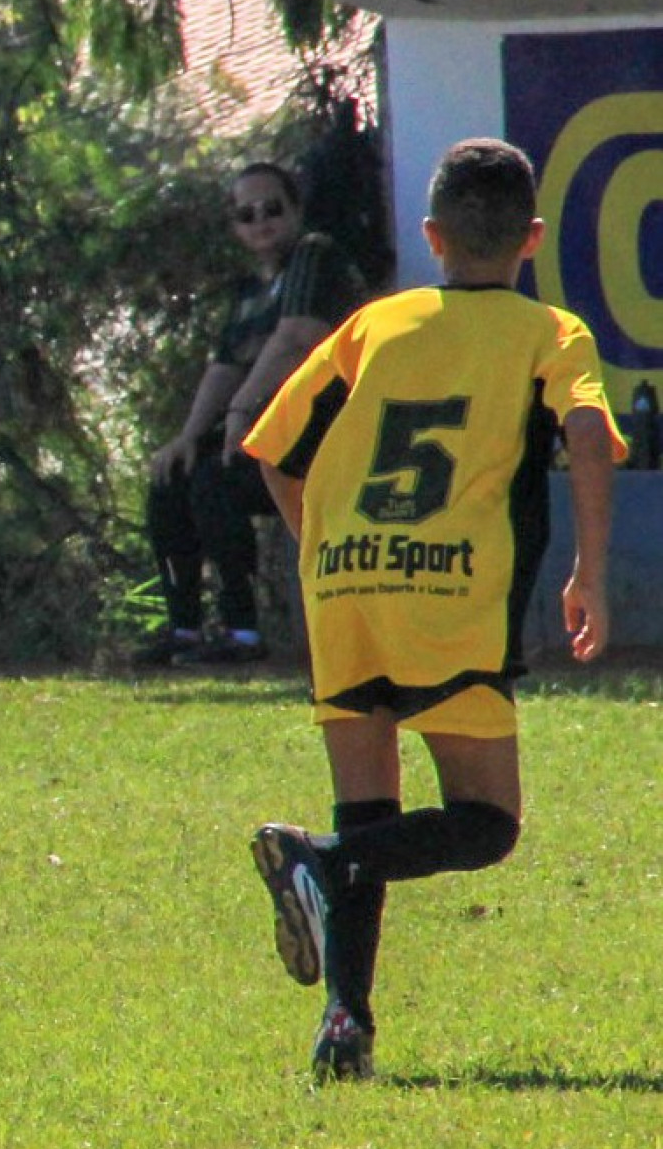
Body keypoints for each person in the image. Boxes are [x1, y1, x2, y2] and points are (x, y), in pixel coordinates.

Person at [241, 138, 617, 1083]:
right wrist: (590, 572)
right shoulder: (549, 332)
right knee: (484, 823)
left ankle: (344, 1028)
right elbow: (584, 432)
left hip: (346, 587)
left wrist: (325, 560)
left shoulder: (375, 323)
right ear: (531, 237)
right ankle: (317, 862)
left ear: (432, 236)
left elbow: (276, 450)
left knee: (368, 804)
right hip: (450, 595)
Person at [137, 160, 361, 666]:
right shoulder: (248, 294)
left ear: (296, 210)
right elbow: (224, 366)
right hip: (271, 435)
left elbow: (296, 337)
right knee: (174, 477)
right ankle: (186, 629)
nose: (260, 221)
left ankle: (242, 633)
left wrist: (241, 413)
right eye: (247, 214)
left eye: (273, 209)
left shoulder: (313, 256)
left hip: (327, 438)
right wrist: (188, 438)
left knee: (215, 481)